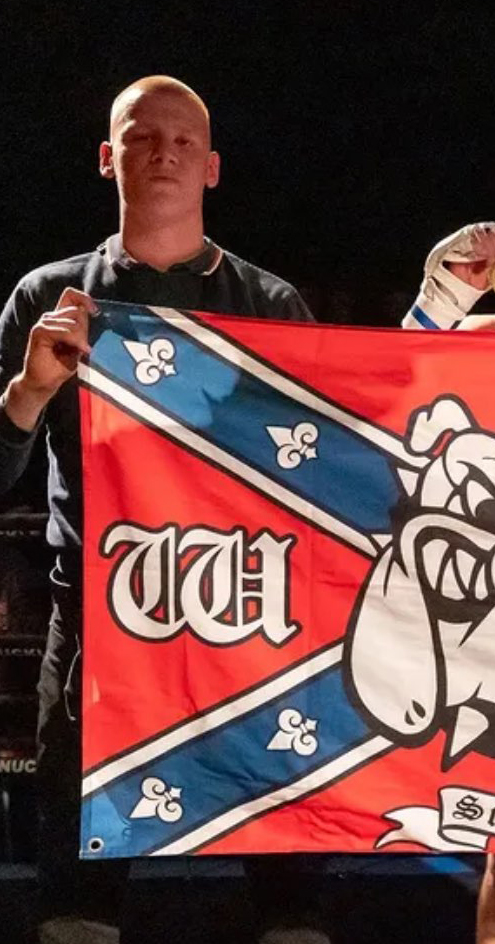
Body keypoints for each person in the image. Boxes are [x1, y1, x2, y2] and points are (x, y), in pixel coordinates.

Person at [0, 75, 313, 944]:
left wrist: (437, 318)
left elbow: (335, 462)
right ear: (109, 158)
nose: (163, 153)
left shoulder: (270, 305)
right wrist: (30, 390)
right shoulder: (49, 298)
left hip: (249, 615)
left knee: (290, 901)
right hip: (97, 621)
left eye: (182, 141)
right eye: (142, 136)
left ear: (211, 167)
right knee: (77, 902)